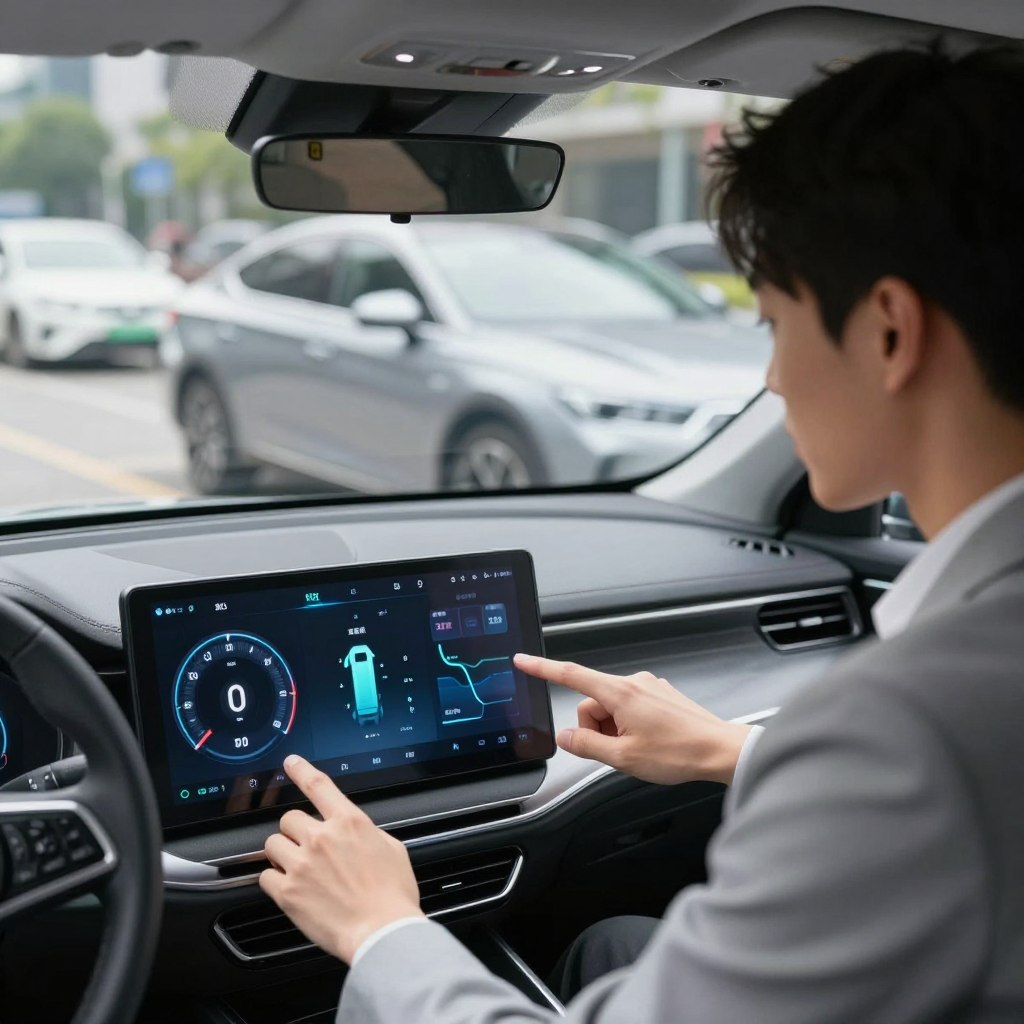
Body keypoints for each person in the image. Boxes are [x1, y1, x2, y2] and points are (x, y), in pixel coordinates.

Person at [258, 42, 1024, 1021]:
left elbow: (931, 782)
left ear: (887, 330)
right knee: (613, 943)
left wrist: (380, 930)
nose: (775, 379)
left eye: (774, 322)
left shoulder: (906, 734)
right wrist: (731, 752)